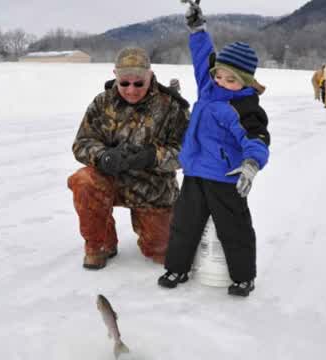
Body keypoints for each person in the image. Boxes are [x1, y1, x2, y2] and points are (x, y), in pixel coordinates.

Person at [158, 1, 270, 297]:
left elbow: (257, 138)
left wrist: (252, 163)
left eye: (230, 79)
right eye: (219, 75)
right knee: (184, 224)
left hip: (225, 177)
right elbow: (202, 58)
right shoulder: (209, 88)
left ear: (244, 81)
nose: (221, 81)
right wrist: (197, 29)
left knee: (234, 229)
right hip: (195, 173)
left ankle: (244, 277)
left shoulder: (244, 107)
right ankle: (177, 268)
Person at [68, 47, 190, 270]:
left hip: (153, 187)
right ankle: (100, 243)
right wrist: (104, 156)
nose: (131, 90)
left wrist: (152, 157)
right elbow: (82, 143)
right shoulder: (102, 103)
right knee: (84, 180)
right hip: (111, 180)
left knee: (161, 252)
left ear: (150, 76)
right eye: (124, 83)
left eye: (138, 83)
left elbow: (188, 154)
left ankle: (156, 235)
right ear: (115, 76)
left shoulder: (171, 107)